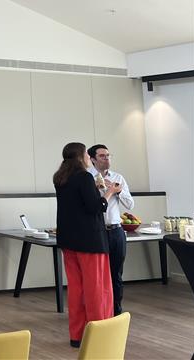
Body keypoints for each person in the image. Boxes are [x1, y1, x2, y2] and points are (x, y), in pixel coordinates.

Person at [54, 141, 122, 348]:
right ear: (81, 156)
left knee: (76, 290)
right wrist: (110, 192)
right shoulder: (84, 177)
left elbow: (76, 204)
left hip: (69, 241)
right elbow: (95, 207)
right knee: (97, 290)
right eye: (86, 154)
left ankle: (77, 336)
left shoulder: (60, 178)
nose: (88, 158)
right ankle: (99, 338)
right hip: (90, 241)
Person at [87, 143, 134, 315]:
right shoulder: (87, 178)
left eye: (108, 155)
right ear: (93, 159)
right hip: (96, 231)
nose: (106, 158)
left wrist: (117, 191)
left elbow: (130, 204)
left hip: (116, 231)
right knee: (96, 275)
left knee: (116, 273)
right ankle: (98, 311)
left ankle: (116, 311)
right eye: (102, 156)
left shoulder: (118, 177)